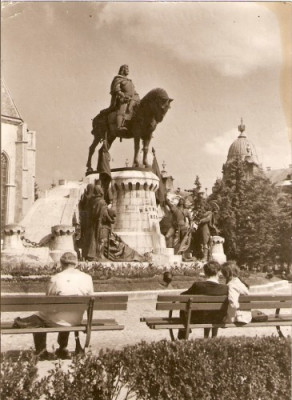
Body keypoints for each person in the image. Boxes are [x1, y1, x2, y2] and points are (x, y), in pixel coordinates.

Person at [13, 252, 94, 360]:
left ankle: (41, 350)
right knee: (62, 314)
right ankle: (62, 348)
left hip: (57, 320)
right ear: (76, 263)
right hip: (76, 319)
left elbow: (47, 303)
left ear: (61, 263)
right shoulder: (87, 278)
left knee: (41, 317)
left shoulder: (55, 279)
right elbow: (91, 298)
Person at [177, 260, 228, 339]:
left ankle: (183, 335)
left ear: (205, 273)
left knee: (185, 306)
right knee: (214, 312)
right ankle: (213, 337)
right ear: (218, 273)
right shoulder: (225, 288)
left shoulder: (198, 286)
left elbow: (182, 297)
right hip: (218, 319)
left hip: (199, 319)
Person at [109, 64, 139, 132]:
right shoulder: (118, 79)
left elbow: (133, 91)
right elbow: (117, 89)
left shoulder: (129, 81)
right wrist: (123, 95)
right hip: (123, 99)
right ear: (122, 70)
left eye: (128, 69)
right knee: (122, 109)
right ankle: (119, 126)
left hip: (132, 98)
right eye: (126, 69)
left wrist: (136, 96)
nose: (128, 71)